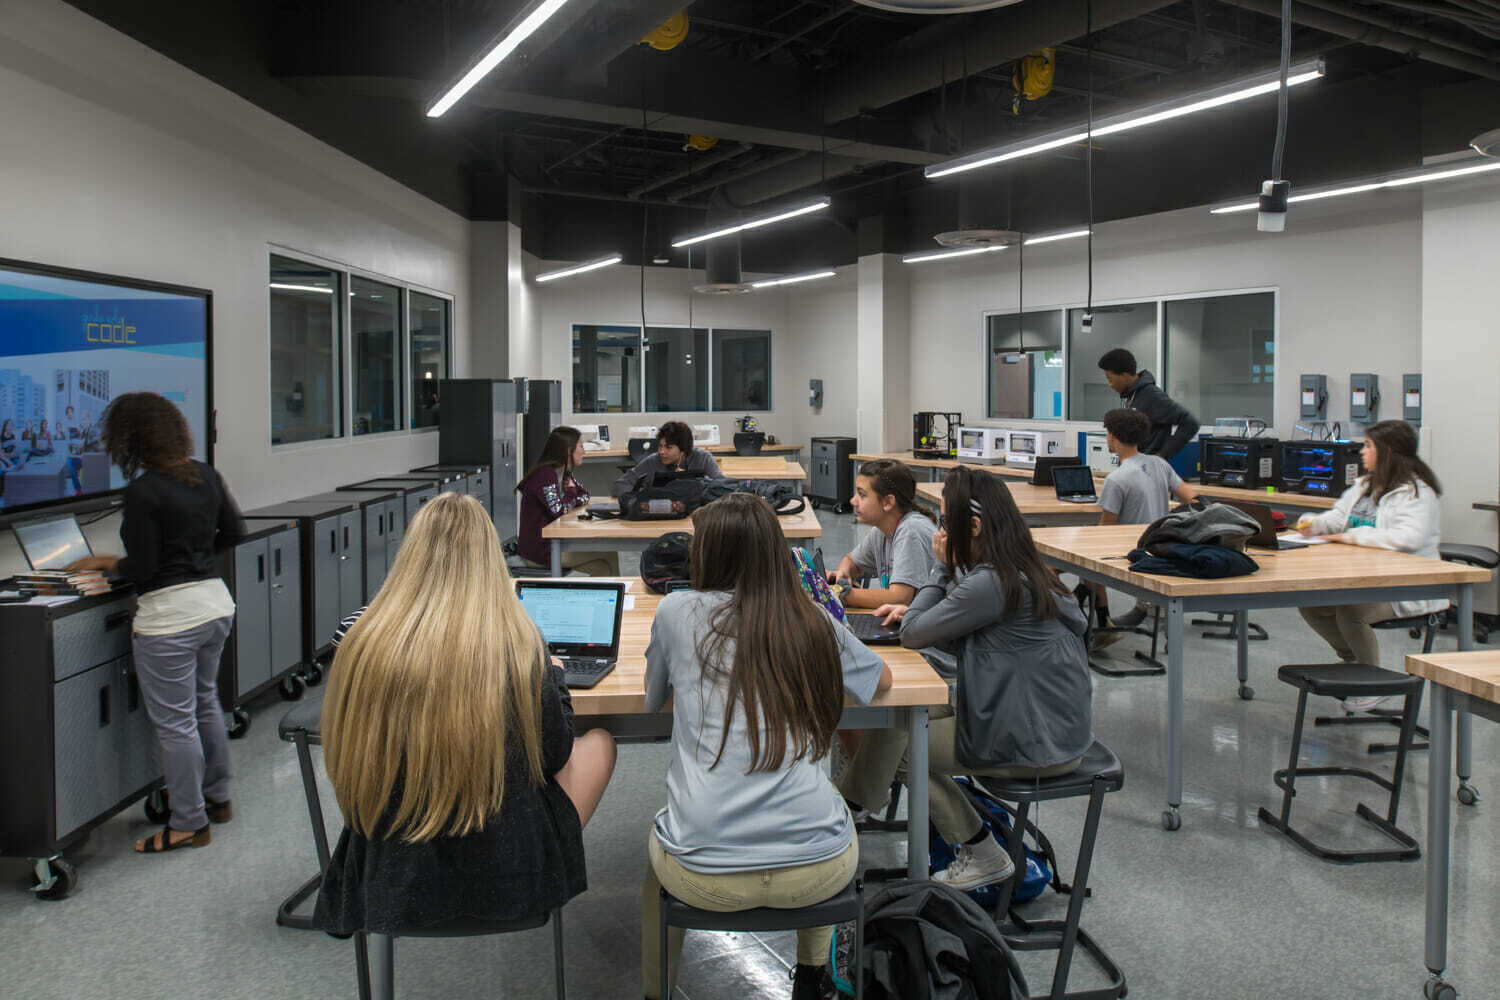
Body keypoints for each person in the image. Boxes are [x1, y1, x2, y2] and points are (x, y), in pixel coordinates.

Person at [314, 492, 618, 935]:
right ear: (489, 560)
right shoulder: (518, 643)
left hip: (391, 852)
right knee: (600, 744)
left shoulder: (361, 638)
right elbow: (552, 755)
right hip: (508, 867)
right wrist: (552, 679)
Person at [641, 493, 891, 1000]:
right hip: (819, 865)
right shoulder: (809, 619)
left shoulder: (676, 610)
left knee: (654, 876)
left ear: (712, 554)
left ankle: (656, 992)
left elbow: (651, 702)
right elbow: (880, 681)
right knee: (826, 819)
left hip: (704, 872)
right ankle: (812, 977)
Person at [867, 467, 1093, 892]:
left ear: (972, 527)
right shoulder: (1026, 569)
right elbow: (971, 638)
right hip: (1053, 727)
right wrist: (936, 607)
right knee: (904, 715)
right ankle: (854, 804)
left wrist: (938, 570)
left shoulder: (992, 581)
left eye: (945, 523)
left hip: (1031, 742)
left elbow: (915, 634)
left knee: (903, 741)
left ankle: (981, 850)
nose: (939, 531)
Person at [64, 392, 245, 852]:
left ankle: (188, 822)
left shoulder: (144, 492)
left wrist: (107, 562)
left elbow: (143, 569)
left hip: (170, 619)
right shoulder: (205, 474)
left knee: (176, 724)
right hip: (214, 605)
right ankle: (217, 799)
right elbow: (236, 533)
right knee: (206, 703)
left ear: (131, 440)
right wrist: (195, 559)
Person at [1295, 420, 1443, 711]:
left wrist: (1350, 537)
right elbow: (1338, 518)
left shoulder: (1417, 493)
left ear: (1387, 452)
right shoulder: (1366, 485)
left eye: (1368, 446)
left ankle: (1370, 683)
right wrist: (1314, 524)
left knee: (1352, 611)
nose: (1362, 452)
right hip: (1368, 578)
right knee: (1310, 604)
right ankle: (1355, 663)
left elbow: (1406, 539)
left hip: (1408, 586)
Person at [1089, 408, 1200, 643]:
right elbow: (1192, 499)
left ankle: (1103, 626)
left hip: (1134, 552)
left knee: (1081, 566)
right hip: (1162, 547)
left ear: (1112, 436)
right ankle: (1137, 612)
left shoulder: (1116, 479)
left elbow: (1103, 534)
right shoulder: (1159, 464)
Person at [516, 425, 619, 576]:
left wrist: (572, 497)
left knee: (602, 567)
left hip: (552, 545)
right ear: (568, 451)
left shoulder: (563, 472)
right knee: (608, 553)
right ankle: (620, 597)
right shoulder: (545, 475)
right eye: (581, 446)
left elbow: (585, 496)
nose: (584, 451)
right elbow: (559, 510)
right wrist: (571, 493)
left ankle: (610, 598)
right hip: (539, 551)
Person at [1097, 348, 1200, 460]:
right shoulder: (1131, 396)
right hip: (1134, 465)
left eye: (1110, 379)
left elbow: (1190, 423)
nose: (1109, 384)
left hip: (1148, 469)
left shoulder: (1152, 395)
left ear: (1125, 376)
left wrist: (1162, 456)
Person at [611, 419, 721, 497]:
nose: (662, 452)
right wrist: (644, 494)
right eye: (660, 446)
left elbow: (722, 488)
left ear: (683, 449)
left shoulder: (703, 458)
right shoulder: (653, 461)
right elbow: (619, 486)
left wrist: (695, 482)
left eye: (668, 447)